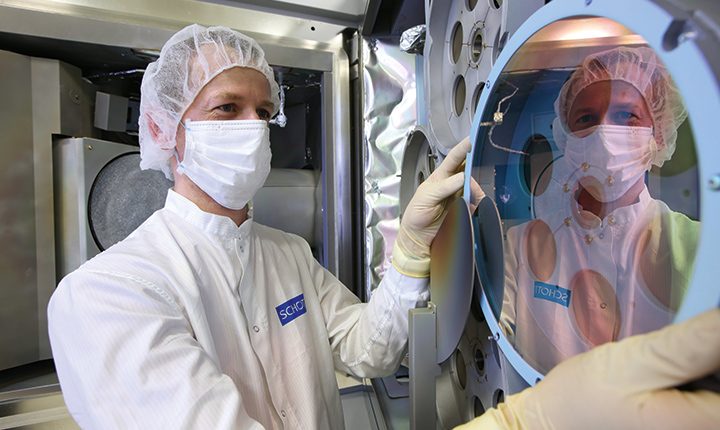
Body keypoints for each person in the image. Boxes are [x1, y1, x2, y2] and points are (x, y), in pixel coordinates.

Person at [47, 24, 470, 429]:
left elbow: (370, 350)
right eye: (227, 107)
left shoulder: (289, 254)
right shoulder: (109, 292)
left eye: (263, 112)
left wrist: (411, 249)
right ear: (164, 128)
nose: (252, 128)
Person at [500, 46, 699, 374]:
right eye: (586, 119)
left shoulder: (699, 247)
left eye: (625, 116)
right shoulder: (520, 247)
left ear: (658, 134)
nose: (604, 134)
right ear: (566, 138)